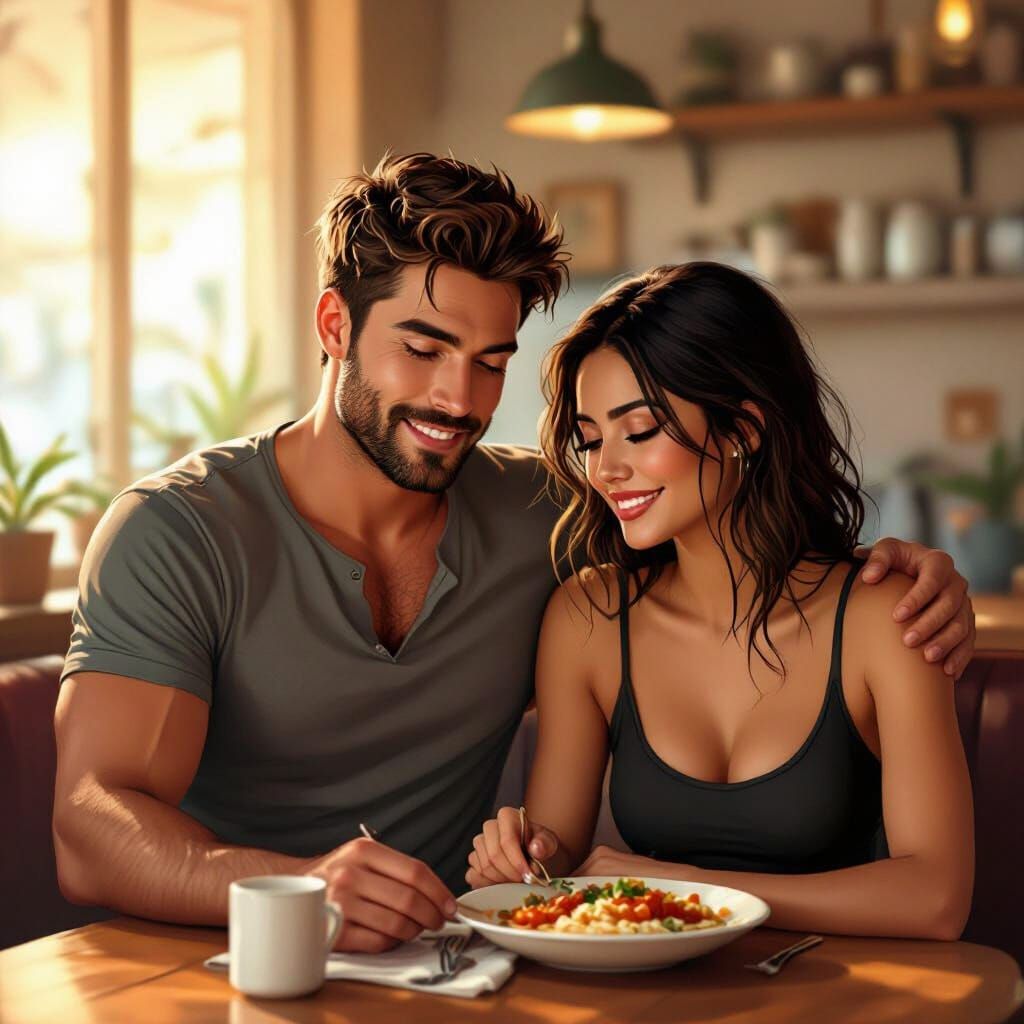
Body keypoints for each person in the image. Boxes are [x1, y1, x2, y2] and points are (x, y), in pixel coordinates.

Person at [54, 154, 976, 954]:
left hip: (447, 966)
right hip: (221, 965)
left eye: (491, 360)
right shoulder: (178, 534)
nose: (460, 398)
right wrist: (301, 889)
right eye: (423, 348)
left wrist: (909, 571)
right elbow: (90, 830)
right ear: (335, 326)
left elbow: (724, 521)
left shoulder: (551, 513)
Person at [467, 263, 974, 940]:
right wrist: (521, 859)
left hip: (836, 998)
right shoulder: (588, 621)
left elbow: (935, 898)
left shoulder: (881, 618)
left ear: (743, 429)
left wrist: (684, 888)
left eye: (639, 430)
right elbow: (557, 857)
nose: (606, 468)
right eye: (590, 438)